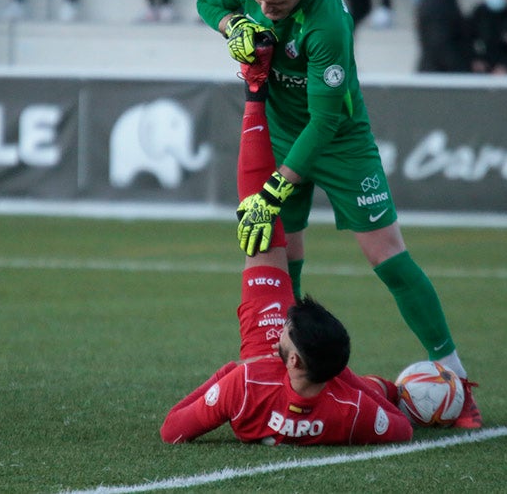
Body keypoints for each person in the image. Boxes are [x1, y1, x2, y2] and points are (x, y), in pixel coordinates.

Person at [196, 0, 482, 429]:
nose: (267, 9)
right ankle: (279, 368)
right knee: (282, 254)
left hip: (339, 140)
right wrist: (232, 23)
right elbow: (207, 0)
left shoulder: (328, 23)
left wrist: (275, 189)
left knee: (387, 255)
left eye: (277, 3)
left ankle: (455, 377)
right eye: (259, 1)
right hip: (283, 133)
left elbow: (324, 122)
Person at [159, 72, 414, 446]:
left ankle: (255, 91)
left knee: (256, 209)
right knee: (259, 214)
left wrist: (230, 372)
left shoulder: (244, 383)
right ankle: (400, 387)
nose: (288, 321)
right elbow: (402, 428)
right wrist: (349, 379)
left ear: (293, 361)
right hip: (318, 373)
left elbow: (172, 430)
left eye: (289, 332)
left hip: (258, 336)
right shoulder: (349, 410)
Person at [415, 0, 472, 73]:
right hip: (440, 71)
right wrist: (459, 69)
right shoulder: (436, 3)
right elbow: (440, 42)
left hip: (437, 67)